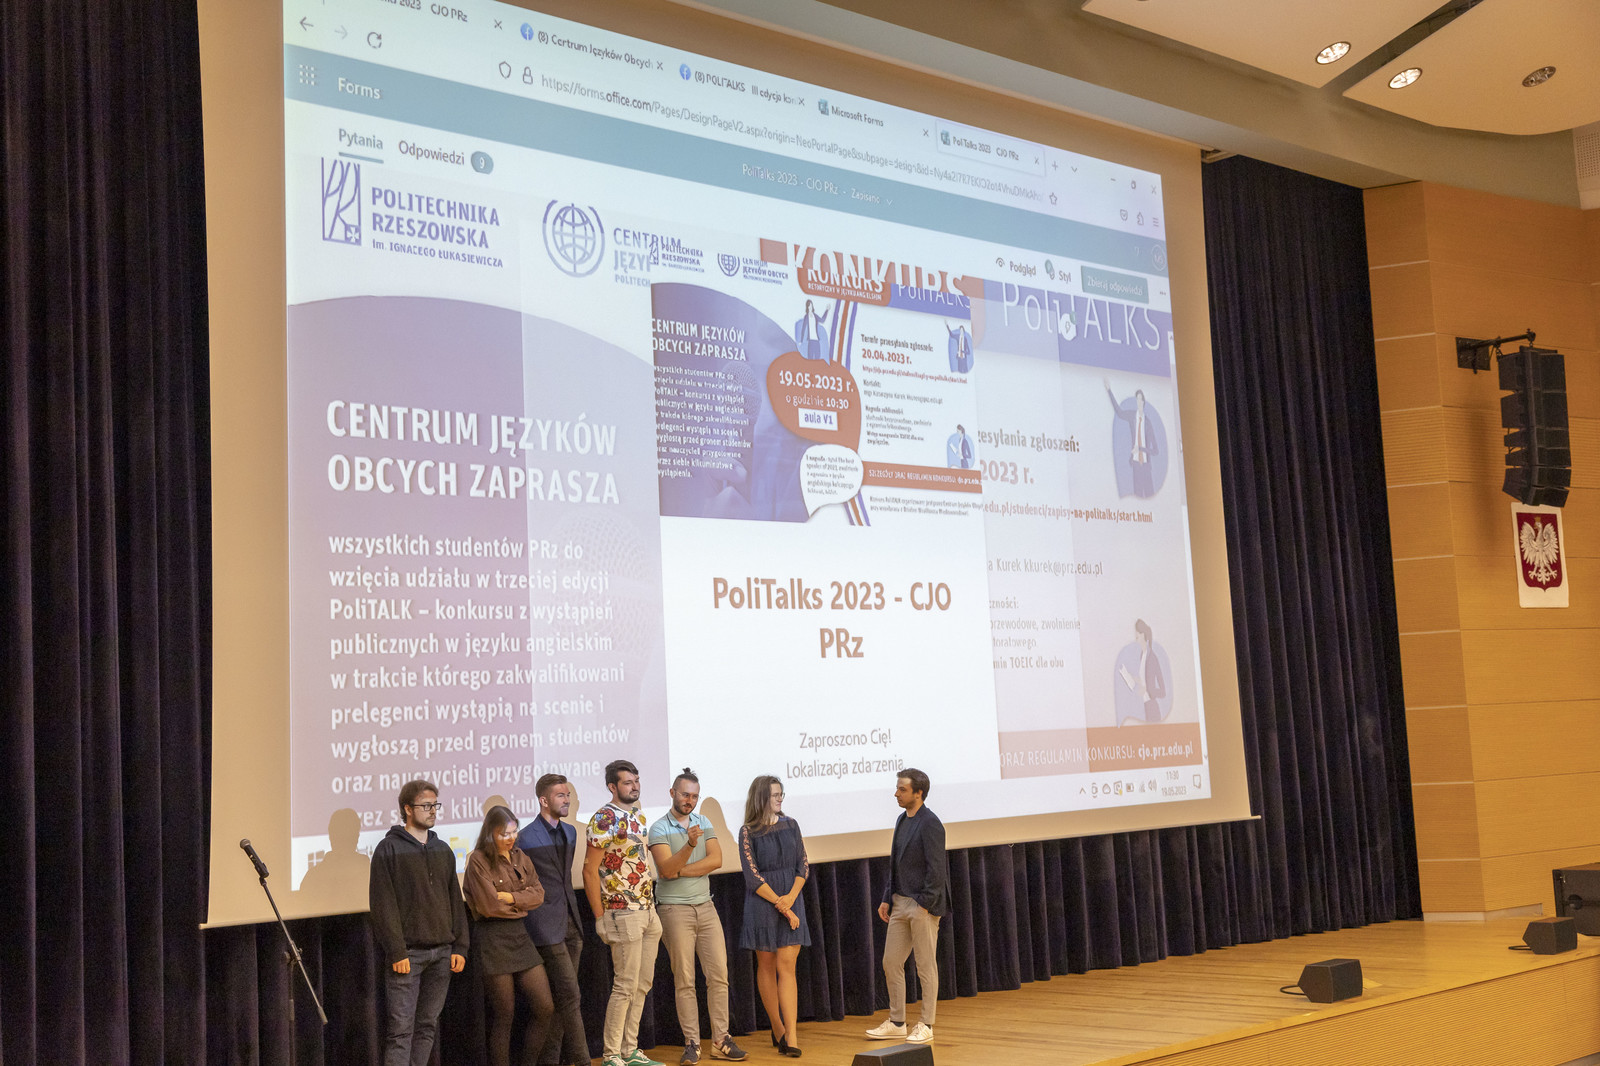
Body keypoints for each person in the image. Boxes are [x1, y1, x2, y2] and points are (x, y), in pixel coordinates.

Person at [647, 769, 747, 1064]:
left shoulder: (703, 822)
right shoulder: (658, 828)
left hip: (706, 906)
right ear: (672, 793)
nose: (689, 800)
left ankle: (721, 1040)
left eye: (694, 796)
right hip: (673, 909)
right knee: (685, 980)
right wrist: (690, 847)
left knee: (719, 976)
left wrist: (681, 870)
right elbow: (665, 870)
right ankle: (692, 1043)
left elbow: (716, 860)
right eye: (684, 794)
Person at [368, 779, 469, 1066]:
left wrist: (460, 946)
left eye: (435, 805)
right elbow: (383, 905)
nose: (433, 810)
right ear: (408, 809)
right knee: (401, 1032)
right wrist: (396, 951)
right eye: (426, 805)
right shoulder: (388, 849)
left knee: (427, 1027)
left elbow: (455, 900)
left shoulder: (442, 849)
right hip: (408, 955)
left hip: (442, 954)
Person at [463, 805, 557, 1066]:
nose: (511, 838)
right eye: (504, 833)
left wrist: (512, 898)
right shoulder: (478, 860)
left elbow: (538, 894)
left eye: (514, 831)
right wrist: (521, 903)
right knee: (504, 1013)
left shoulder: (520, 856)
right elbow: (488, 906)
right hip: (492, 938)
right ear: (490, 833)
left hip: (519, 936)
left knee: (545, 1007)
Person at [585, 759, 663, 1066]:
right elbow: (589, 870)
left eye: (636, 780)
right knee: (625, 985)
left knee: (642, 984)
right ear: (612, 787)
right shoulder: (603, 818)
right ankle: (611, 1054)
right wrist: (599, 917)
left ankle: (630, 1049)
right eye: (628, 782)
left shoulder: (638, 814)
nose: (634, 786)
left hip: (647, 909)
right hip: (621, 911)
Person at [865, 768, 947, 1045]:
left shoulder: (931, 823)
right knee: (891, 962)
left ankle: (927, 1024)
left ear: (918, 793)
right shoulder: (902, 820)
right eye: (897, 788)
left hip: (922, 905)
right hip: (899, 902)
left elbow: (937, 870)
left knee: (925, 965)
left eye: (902, 789)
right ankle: (898, 1022)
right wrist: (887, 897)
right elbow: (895, 864)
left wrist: (925, 904)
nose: (896, 794)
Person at [516, 774, 592, 1066]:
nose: (567, 800)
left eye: (568, 794)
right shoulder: (525, 837)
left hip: (572, 920)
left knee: (564, 999)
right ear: (544, 800)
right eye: (561, 795)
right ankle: (582, 1061)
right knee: (570, 995)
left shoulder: (571, 832)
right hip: (544, 926)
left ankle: (550, 1060)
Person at [737, 775, 809, 1058]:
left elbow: (803, 865)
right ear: (761, 798)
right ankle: (778, 1028)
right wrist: (783, 905)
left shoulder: (792, 824)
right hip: (763, 902)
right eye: (775, 795)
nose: (780, 799)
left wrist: (790, 899)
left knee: (787, 966)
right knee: (766, 965)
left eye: (781, 794)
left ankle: (792, 1035)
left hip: (791, 896)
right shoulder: (748, 832)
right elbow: (752, 877)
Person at [1104, 380, 1159, 498]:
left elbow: (1156, 451)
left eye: (1140, 399)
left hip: (1146, 466)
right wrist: (1109, 391)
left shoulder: (1148, 423)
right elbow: (1119, 412)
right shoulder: (1132, 416)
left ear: (1144, 402)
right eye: (1137, 399)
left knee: (1150, 499)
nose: (1139, 402)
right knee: (1137, 499)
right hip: (1136, 465)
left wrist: (1140, 449)